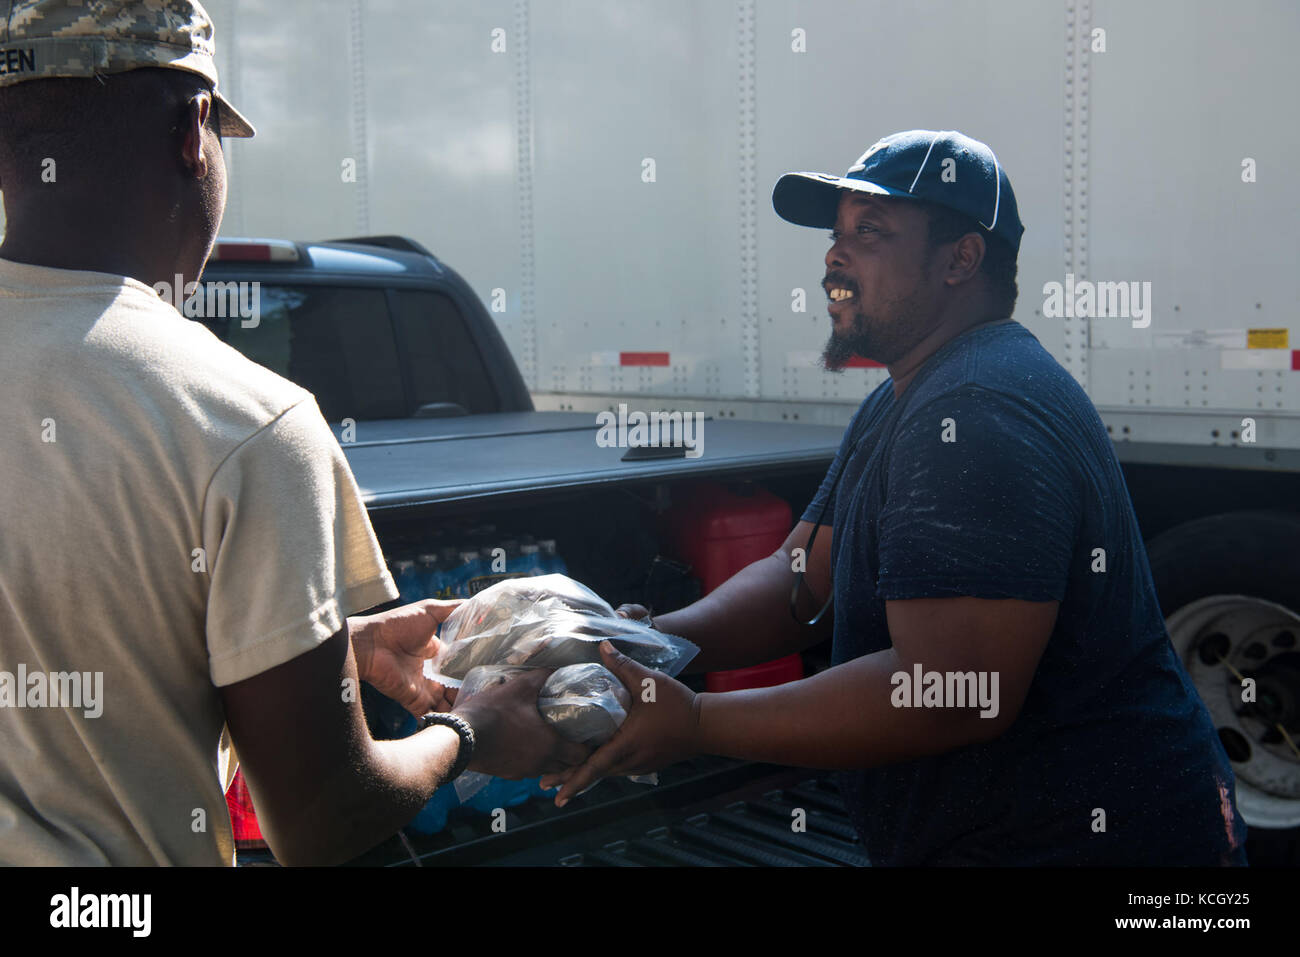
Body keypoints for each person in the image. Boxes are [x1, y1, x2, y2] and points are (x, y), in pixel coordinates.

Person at [546, 130, 1249, 866]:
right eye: (837, 233)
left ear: (961, 258)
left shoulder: (981, 408)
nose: (833, 256)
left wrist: (695, 722)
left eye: (870, 231)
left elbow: (952, 691)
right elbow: (801, 577)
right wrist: (652, 641)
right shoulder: (910, 394)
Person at [0, 0, 584, 867]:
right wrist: (473, 729)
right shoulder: (246, 421)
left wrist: (324, 655)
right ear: (195, 130)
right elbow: (321, 817)